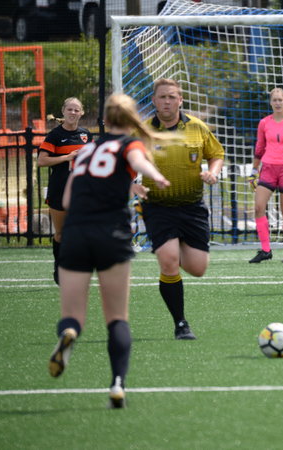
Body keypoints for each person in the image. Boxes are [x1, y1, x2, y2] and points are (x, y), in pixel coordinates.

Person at [48, 93, 172, 409]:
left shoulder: (87, 148)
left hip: (76, 233)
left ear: (105, 118)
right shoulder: (129, 144)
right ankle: (117, 384)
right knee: (117, 318)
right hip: (111, 233)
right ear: (131, 118)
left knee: (72, 315)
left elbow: (69, 198)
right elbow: (138, 162)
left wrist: (125, 185)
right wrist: (156, 176)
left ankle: (69, 332)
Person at [138, 78, 225, 340]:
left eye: (172, 97)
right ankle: (180, 323)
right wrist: (131, 185)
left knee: (198, 268)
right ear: (154, 100)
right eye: (162, 97)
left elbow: (216, 154)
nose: (167, 101)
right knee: (169, 262)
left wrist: (212, 172)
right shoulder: (142, 131)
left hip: (192, 207)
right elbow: (125, 162)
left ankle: (177, 249)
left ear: (180, 100)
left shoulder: (197, 127)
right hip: (158, 207)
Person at [247, 88, 283, 264]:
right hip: (268, 168)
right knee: (258, 207)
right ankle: (266, 250)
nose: (278, 103)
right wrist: (254, 170)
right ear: (270, 102)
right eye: (274, 100)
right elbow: (259, 147)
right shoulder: (264, 123)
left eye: (280, 100)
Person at [38, 97, 93, 284]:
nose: (73, 113)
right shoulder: (54, 135)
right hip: (59, 190)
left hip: (81, 191)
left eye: (76, 110)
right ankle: (59, 266)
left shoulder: (86, 135)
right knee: (61, 233)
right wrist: (67, 157)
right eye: (70, 109)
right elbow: (41, 161)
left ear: (82, 113)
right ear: (63, 111)